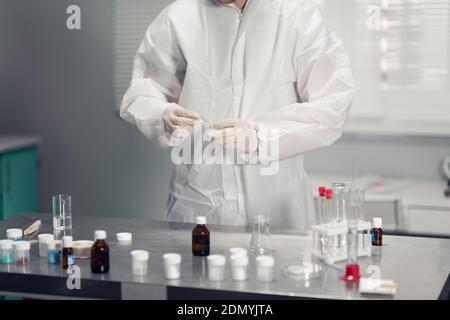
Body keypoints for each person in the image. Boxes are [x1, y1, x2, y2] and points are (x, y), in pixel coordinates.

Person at [120, 0, 355, 232]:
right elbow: (141, 94)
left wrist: (262, 137)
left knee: (277, 268)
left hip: (277, 202)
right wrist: (162, 115)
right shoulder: (178, 17)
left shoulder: (298, 15)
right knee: (197, 268)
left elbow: (332, 107)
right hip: (199, 199)